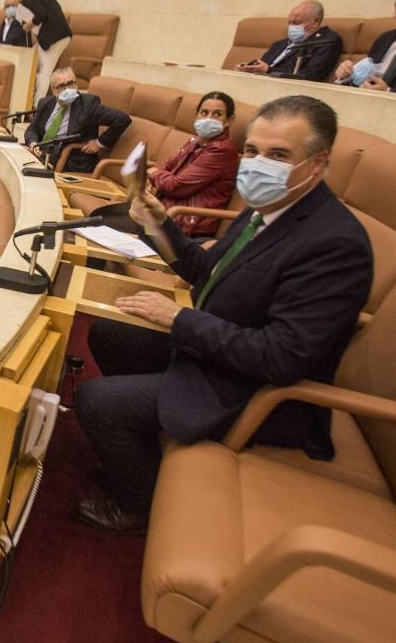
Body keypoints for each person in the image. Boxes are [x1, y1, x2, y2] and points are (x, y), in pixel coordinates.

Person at [72, 95, 372, 535]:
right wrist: (158, 226)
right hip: (218, 350)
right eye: (252, 151)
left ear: (317, 163)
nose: (257, 164)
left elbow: (281, 357)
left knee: (96, 401)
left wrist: (179, 320)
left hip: (256, 391)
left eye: (278, 155)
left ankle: (137, 506)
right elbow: (210, 274)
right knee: (110, 334)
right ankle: (138, 452)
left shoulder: (335, 245)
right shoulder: (268, 207)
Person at [88, 92, 240, 239]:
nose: (208, 119)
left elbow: (175, 186)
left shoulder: (222, 150)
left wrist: (153, 173)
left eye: (217, 114)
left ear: (228, 120)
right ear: (197, 115)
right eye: (204, 112)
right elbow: (165, 165)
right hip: (161, 211)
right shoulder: (196, 141)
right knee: (97, 216)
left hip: (181, 223)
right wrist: (157, 172)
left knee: (100, 223)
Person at [24, 67, 130, 174]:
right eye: (61, 86)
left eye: (70, 84)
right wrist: (33, 143)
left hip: (69, 162)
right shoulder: (45, 103)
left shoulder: (88, 105)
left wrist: (100, 142)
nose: (67, 89)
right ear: (54, 90)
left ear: (76, 85)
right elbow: (32, 129)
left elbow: (121, 119)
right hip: (41, 156)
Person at [233, 0, 342, 82]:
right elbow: (263, 65)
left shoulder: (327, 40)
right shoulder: (279, 44)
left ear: (316, 21)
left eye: (296, 23)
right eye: (289, 23)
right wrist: (250, 68)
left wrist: (269, 70)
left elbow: (312, 75)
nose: (291, 27)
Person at [13, 0, 73, 100]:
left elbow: (41, 15)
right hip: (60, 36)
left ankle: (36, 106)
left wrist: (30, 24)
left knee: (45, 71)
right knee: (32, 57)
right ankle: (29, 98)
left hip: (55, 38)